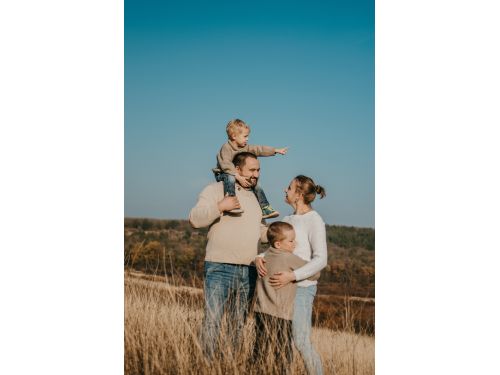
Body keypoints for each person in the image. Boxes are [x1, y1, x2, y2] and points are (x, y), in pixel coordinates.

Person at [189, 152, 269, 360]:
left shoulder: (257, 197)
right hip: (219, 267)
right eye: (252, 170)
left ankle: (228, 367)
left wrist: (278, 234)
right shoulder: (216, 190)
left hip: (249, 271)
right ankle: (204, 366)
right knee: (212, 322)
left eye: (258, 170)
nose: (256, 174)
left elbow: (261, 229)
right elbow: (195, 219)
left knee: (237, 326)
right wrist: (220, 207)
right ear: (237, 169)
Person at [256, 175, 327, 375]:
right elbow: (275, 249)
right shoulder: (287, 219)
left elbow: (321, 259)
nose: (284, 190)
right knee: (282, 344)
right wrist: (259, 257)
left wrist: (293, 276)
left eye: (289, 188)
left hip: (302, 290)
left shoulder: (315, 220)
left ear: (299, 194)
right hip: (281, 291)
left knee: (301, 341)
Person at [253, 221, 319, 375]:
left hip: (260, 312)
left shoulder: (263, 258)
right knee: (283, 355)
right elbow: (315, 273)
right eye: (291, 241)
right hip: (281, 315)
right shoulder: (289, 258)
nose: (294, 243)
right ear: (278, 244)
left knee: (259, 350)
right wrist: (294, 276)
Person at [212, 118, 288, 218]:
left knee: (256, 183)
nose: (247, 139)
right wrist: (238, 176)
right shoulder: (226, 148)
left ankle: (265, 207)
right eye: (245, 136)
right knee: (230, 177)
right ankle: (231, 201)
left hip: (237, 174)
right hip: (223, 174)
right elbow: (226, 164)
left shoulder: (245, 147)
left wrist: (275, 150)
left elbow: (258, 149)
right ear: (234, 136)